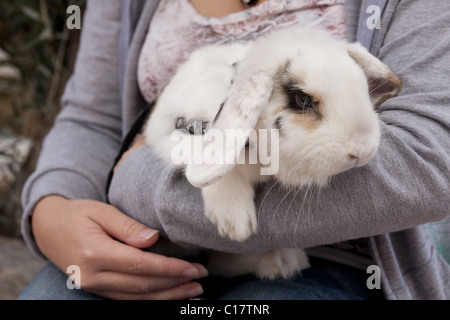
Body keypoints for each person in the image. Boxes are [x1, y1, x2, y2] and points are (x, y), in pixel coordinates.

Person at [18, 0, 450, 300]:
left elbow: (428, 159)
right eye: (303, 102)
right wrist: (52, 210)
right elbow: (94, 118)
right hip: (149, 250)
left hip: (339, 260)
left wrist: (140, 184)